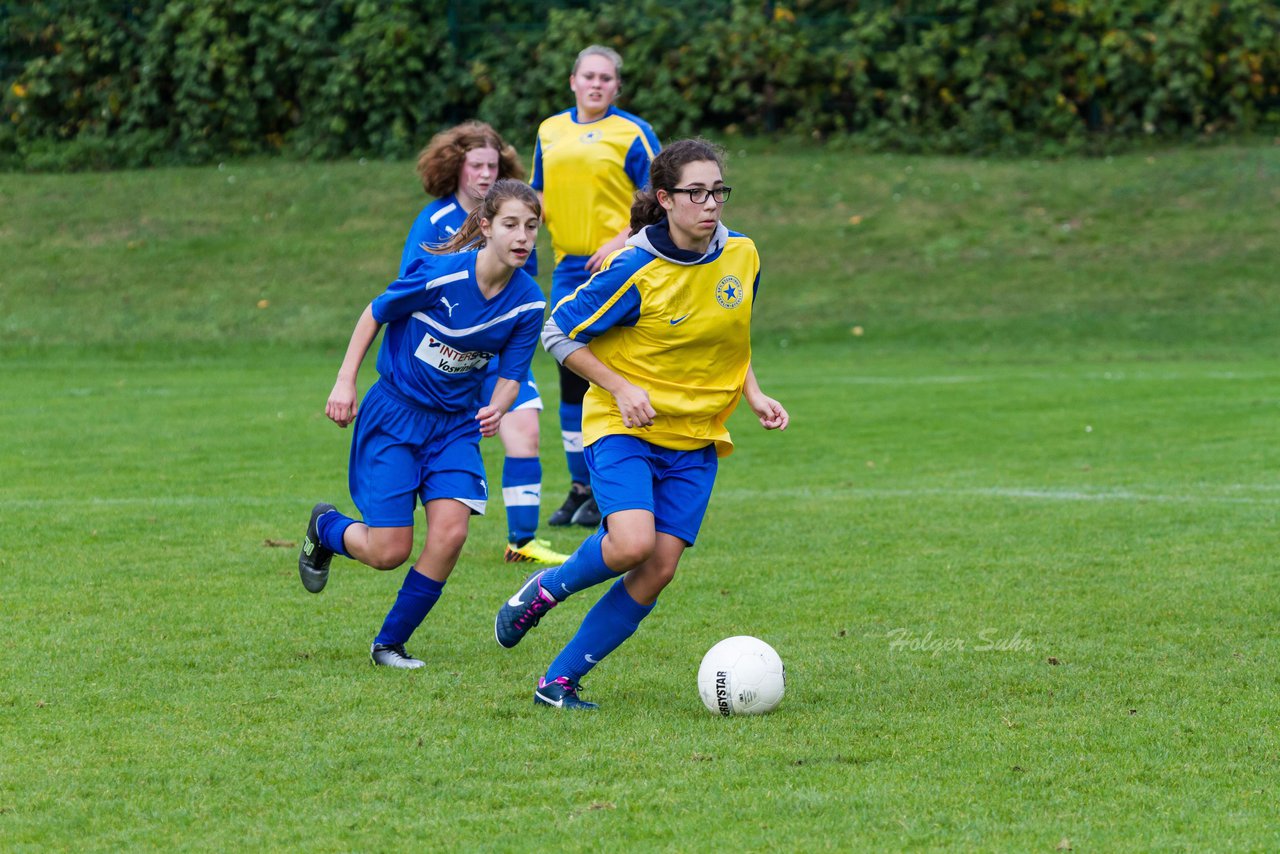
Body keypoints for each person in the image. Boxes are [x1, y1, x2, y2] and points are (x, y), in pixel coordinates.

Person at [493, 139, 790, 708]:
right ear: (665, 198)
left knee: (658, 569)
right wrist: (622, 387)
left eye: (718, 191)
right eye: (695, 193)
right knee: (631, 543)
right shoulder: (635, 266)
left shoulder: (744, 256)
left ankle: (557, 683)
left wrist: (752, 393)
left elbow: (730, 336)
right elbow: (558, 333)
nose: (711, 203)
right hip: (624, 426)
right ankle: (544, 589)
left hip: (695, 436)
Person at [298, 179, 547, 669]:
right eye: (511, 224)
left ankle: (389, 644)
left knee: (451, 534)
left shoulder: (529, 302)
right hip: (395, 414)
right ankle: (326, 528)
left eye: (532, 226)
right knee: (388, 551)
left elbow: (513, 376)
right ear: (484, 226)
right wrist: (345, 381)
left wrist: (497, 406)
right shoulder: (440, 275)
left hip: (454, 426)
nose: (523, 236)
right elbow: (374, 312)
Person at [403, 121, 569, 565]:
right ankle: (403, 524)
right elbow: (408, 289)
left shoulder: (515, 221)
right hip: (447, 357)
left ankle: (521, 541)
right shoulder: (434, 220)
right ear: (456, 168)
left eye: (492, 166)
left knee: (526, 431)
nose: (483, 174)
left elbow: (523, 286)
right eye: (475, 164)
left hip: (497, 352)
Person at [531, 44, 661, 529]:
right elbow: (539, 194)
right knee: (570, 375)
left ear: (617, 87)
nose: (596, 84)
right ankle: (579, 487)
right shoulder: (549, 130)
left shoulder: (634, 133)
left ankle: (618, 488)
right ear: (573, 81)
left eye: (606, 78)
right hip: (568, 268)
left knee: (613, 370)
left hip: (621, 265)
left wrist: (619, 239)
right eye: (588, 76)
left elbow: (659, 197)